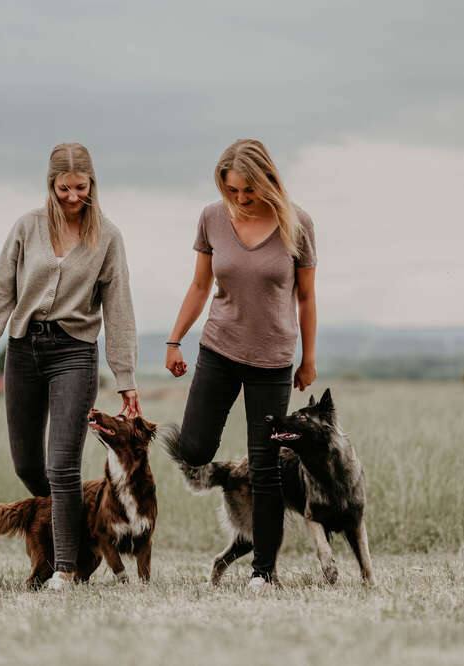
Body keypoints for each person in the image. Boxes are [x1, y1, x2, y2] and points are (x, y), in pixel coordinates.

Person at [0, 142, 141, 591]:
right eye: (64, 188)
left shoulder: (108, 238)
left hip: (74, 354)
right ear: (51, 184)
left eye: (81, 187)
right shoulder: (27, 227)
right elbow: (0, 290)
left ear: (92, 184)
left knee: (62, 466)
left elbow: (119, 310)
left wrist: (125, 378)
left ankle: (64, 567)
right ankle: (79, 531)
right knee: (27, 465)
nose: (73, 196)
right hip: (24, 351)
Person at [166, 139, 317, 591]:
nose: (240, 200)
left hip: (271, 361)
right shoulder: (212, 217)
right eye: (232, 191)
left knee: (265, 465)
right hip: (218, 349)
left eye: (248, 191)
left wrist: (308, 358)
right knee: (192, 450)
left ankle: (263, 574)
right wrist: (175, 340)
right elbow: (199, 285)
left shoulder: (298, 223)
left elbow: (306, 297)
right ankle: (218, 458)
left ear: (268, 181)